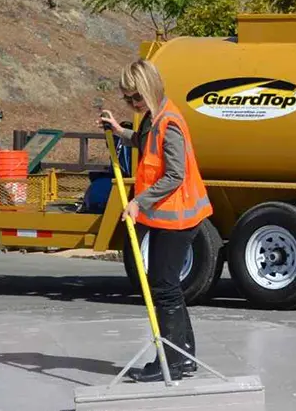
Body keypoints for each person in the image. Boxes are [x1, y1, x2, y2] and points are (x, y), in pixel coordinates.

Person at [98, 59, 213, 381]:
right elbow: (146, 144)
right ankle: (185, 357)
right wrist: (121, 132)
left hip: (177, 217)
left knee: (163, 288)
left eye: (135, 97)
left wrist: (138, 202)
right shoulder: (154, 117)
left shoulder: (170, 122)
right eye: (127, 99)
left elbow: (175, 175)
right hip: (164, 215)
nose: (132, 104)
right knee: (167, 286)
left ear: (149, 89)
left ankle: (174, 362)